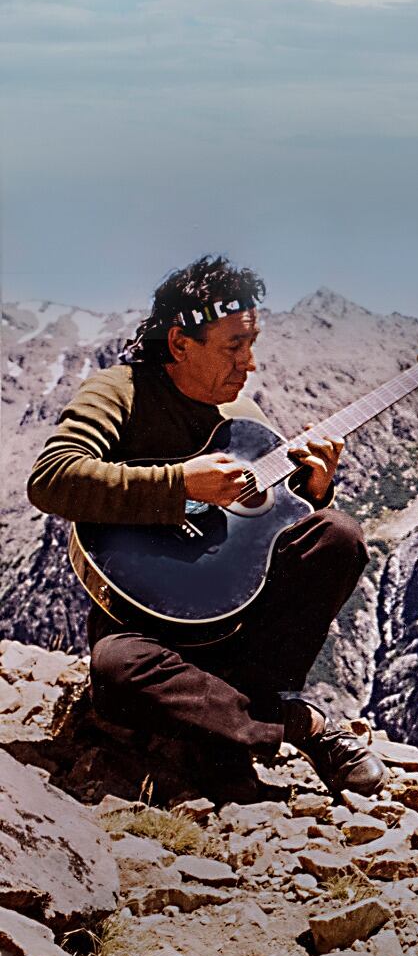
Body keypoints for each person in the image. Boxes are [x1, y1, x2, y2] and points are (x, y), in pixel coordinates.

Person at [28, 255, 386, 797]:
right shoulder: (119, 391)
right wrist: (179, 485)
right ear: (179, 344)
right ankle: (294, 725)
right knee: (117, 669)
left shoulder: (241, 415)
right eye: (233, 348)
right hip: (146, 625)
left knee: (338, 535)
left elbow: (271, 528)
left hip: (234, 624)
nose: (250, 364)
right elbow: (52, 478)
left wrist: (313, 490)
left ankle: (226, 725)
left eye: (252, 344)